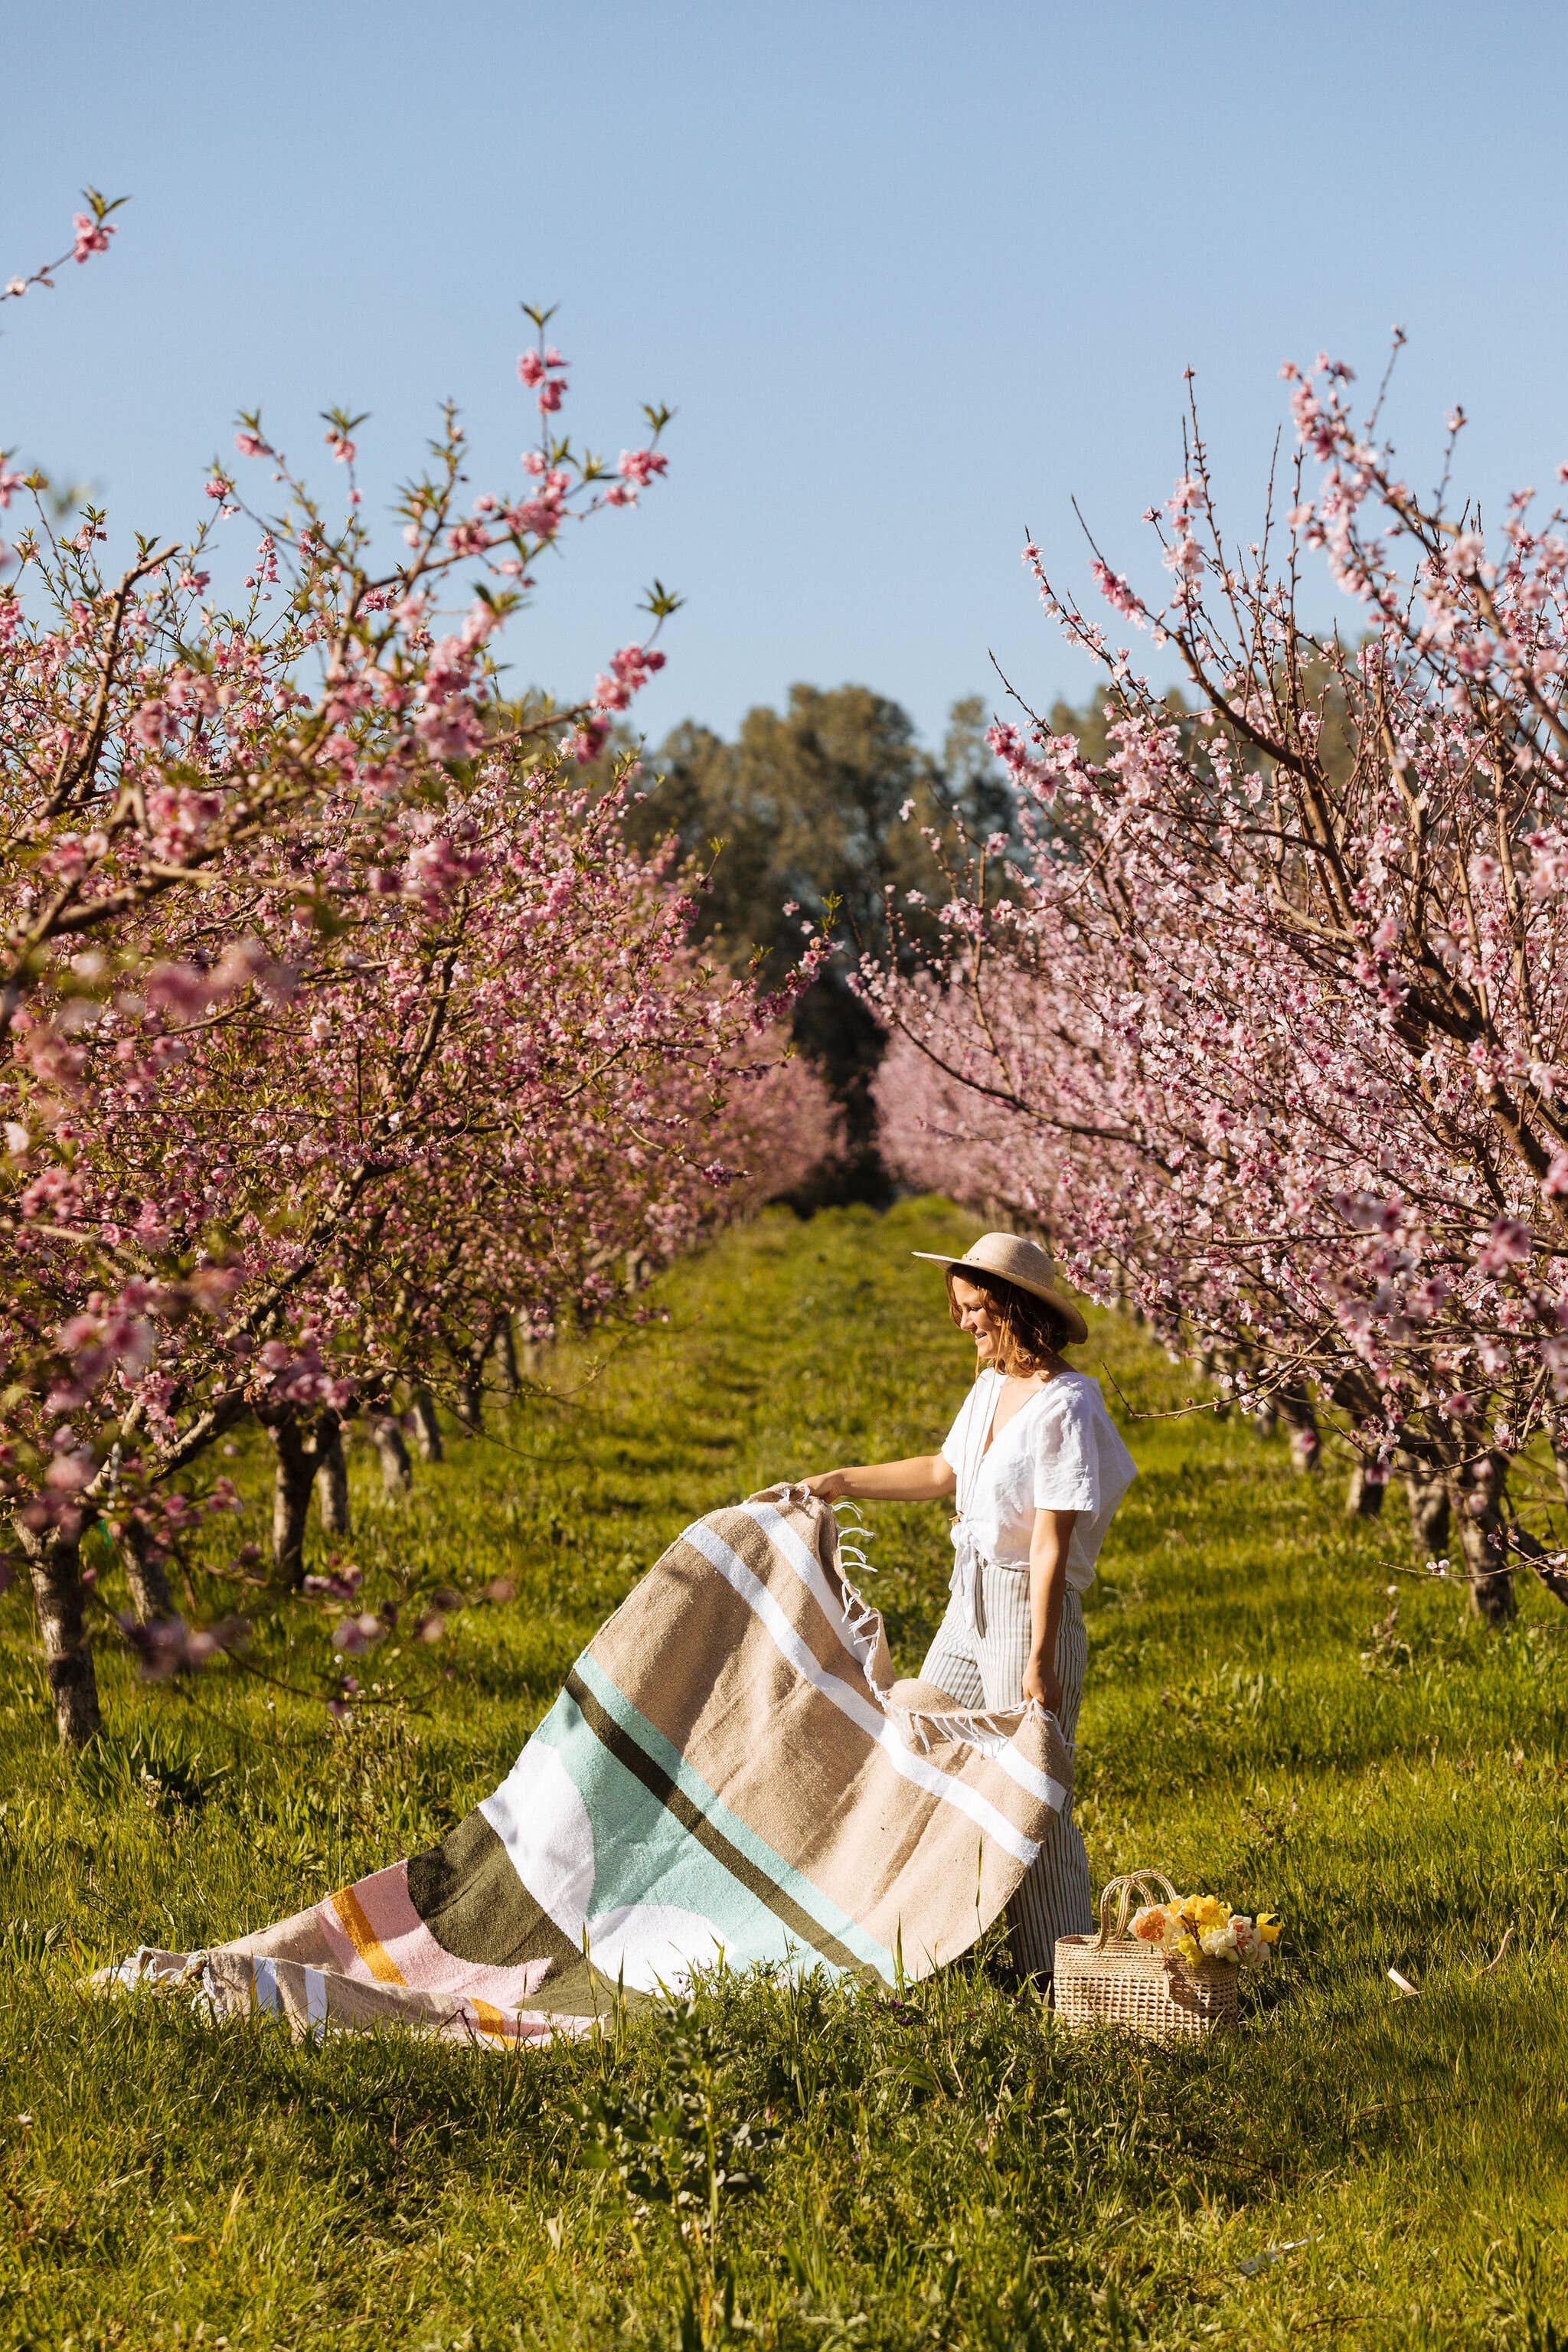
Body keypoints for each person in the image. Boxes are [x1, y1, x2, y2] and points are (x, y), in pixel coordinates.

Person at [801, 1231, 1136, 1978]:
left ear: (1014, 1309)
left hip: (1023, 1609)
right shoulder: (988, 1386)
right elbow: (941, 1470)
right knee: (921, 1745)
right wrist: (840, 1481)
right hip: (966, 1603)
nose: (963, 1324)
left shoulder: (1066, 1404)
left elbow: (1051, 1542)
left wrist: (1039, 1659)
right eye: (957, 1308)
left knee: (1035, 1796)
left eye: (974, 1308)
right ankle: (937, 1937)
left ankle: (1054, 1973)